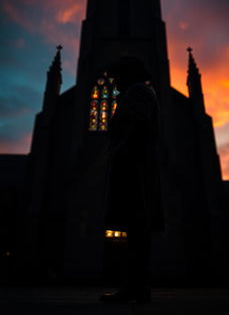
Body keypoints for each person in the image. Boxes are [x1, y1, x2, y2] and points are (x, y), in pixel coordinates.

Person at [100, 56, 164, 304]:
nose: (114, 83)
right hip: (136, 165)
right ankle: (136, 287)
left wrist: (124, 157)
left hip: (134, 168)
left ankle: (134, 288)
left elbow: (137, 127)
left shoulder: (137, 92)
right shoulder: (138, 92)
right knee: (136, 229)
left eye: (118, 77)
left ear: (129, 75)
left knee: (136, 227)